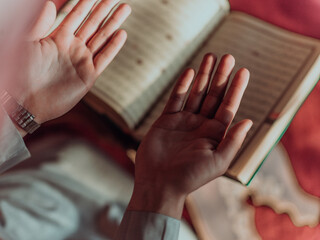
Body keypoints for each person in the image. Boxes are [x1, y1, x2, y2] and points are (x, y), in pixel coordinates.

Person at [0, 0, 252, 239]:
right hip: (86, 195)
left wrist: (18, 109)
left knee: (70, 157)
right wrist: (160, 193)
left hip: (40, 193)